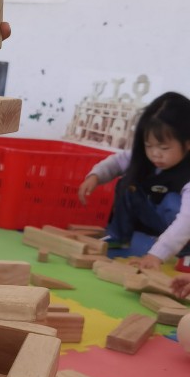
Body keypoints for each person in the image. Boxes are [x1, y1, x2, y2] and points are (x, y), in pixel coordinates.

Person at [78, 92, 190, 270]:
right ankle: (119, 238)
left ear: (188, 143)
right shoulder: (144, 157)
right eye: (149, 145)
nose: (155, 154)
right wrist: (95, 176)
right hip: (156, 221)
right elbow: (117, 162)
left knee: (172, 201)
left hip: (183, 231)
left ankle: (184, 254)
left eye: (164, 148)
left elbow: (186, 222)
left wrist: (157, 255)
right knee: (128, 184)